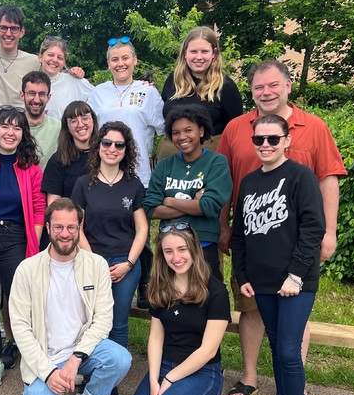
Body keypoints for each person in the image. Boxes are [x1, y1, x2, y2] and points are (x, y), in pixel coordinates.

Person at [217, 60, 346, 395]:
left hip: (294, 256)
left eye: (273, 85)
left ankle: (293, 394)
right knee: (260, 322)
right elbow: (225, 183)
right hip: (256, 256)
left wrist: (329, 233)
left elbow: (328, 180)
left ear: (288, 86)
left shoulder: (313, 128)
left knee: (290, 341)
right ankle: (254, 379)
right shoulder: (235, 129)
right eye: (258, 87)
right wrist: (225, 228)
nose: (266, 92)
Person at [231, 114, 326, 395]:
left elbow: (313, 228)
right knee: (276, 346)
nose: (266, 144)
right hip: (261, 280)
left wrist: (295, 275)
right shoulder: (249, 182)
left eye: (273, 138)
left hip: (296, 281)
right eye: (259, 139)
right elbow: (240, 233)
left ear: (287, 141)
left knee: (288, 350)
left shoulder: (301, 176)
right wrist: (242, 275)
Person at [10, 197, 132, 395]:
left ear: (79, 227)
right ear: (48, 227)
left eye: (71, 227)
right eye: (58, 227)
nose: (65, 234)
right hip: (45, 357)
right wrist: (48, 373)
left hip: (83, 350)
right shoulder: (27, 269)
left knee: (120, 358)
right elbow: (20, 327)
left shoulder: (97, 265)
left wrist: (76, 358)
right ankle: (53, 382)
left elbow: (104, 319)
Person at [71, 121, 148, 395]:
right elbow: (76, 227)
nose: (112, 149)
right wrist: (95, 263)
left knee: (118, 322)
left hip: (125, 264)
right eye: (107, 143)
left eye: (119, 145)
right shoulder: (84, 183)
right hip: (91, 261)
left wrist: (129, 262)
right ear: (98, 146)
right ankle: (89, 371)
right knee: (89, 320)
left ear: (126, 150)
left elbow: (142, 229)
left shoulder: (133, 184)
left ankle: (111, 383)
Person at [87, 36, 163, 312]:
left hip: (139, 174)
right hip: (106, 172)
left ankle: (144, 283)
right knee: (111, 227)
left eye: (125, 58)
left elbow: (164, 128)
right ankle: (104, 276)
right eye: (114, 59)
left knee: (140, 231)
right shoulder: (98, 93)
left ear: (135, 61)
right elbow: (89, 128)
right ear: (108, 64)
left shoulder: (148, 93)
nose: (120, 63)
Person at [0, 106, 46, 388]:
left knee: (18, 298)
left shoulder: (31, 169)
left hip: (15, 236)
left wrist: (33, 246)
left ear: (23, 134)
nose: (10, 132)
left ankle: (18, 346)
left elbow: (38, 209)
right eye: (5, 126)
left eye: (17, 127)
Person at [127, 227, 231, 395]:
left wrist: (170, 379)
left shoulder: (216, 291)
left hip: (202, 371)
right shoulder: (159, 288)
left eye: (182, 249)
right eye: (168, 251)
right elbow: (155, 338)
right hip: (164, 365)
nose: (176, 258)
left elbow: (208, 350)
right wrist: (154, 379)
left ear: (194, 249)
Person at [144, 105, 233, 281]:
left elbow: (209, 206)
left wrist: (169, 201)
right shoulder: (164, 165)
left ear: (201, 131)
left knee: (209, 294)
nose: (182, 137)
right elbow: (151, 209)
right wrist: (194, 203)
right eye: (175, 132)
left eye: (188, 130)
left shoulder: (216, 162)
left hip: (203, 244)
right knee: (170, 295)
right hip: (170, 247)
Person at [158, 26, 242, 159]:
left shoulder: (226, 86)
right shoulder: (174, 79)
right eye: (193, 51)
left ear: (214, 53)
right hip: (170, 156)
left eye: (204, 51)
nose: (199, 57)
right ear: (185, 53)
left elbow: (236, 129)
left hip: (208, 157)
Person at [41, 100, 98, 250]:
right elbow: (53, 206)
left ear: (93, 120)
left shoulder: (106, 155)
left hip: (101, 230)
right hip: (69, 234)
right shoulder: (58, 161)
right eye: (73, 121)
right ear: (67, 127)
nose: (80, 124)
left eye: (85, 118)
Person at [38, 36, 94, 120]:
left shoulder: (75, 81)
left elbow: (100, 99)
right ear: (40, 57)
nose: (55, 60)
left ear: (64, 62)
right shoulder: (30, 83)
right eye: (50, 55)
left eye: (60, 58)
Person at [21, 71, 60, 168]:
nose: (36, 100)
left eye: (42, 94)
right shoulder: (12, 128)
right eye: (31, 93)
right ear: (22, 95)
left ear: (48, 97)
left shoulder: (59, 128)